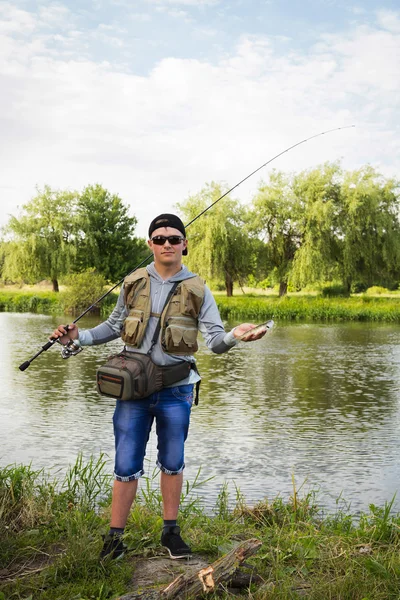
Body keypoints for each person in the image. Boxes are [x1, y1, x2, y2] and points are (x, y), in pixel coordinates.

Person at [51, 213, 267, 561]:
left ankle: (170, 533)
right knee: (125, 464)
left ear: (184, 244)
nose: (167, 244)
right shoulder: (133, 282)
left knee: (172, 461)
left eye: (174, 238)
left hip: (176, 390)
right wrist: (80, 337)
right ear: (150, 244)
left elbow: (214, 341)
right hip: (133, 392)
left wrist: (235, 337)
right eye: (160, 238)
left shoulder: (199, 288)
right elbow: (112, 326)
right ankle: (114, 539)